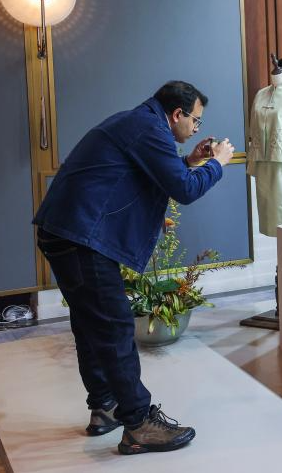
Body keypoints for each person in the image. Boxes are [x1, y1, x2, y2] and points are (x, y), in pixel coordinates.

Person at [32, 81, 235, 455]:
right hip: (81, 236)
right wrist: (217, 163)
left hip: (65, 230)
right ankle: (139, 423)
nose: (196, 129)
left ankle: (105, 407)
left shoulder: (140, 123)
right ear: (177, 114)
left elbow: (150, 173)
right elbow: (185, 191)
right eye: (195, 120)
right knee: (113, 325)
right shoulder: (149, 129)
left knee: (91, 324)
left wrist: (190, 161)